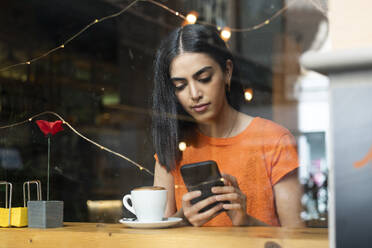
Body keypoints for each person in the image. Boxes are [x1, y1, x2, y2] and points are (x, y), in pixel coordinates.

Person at [152, 24, 304, 227]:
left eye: (204, 78)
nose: (194, 94)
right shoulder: (172, 147)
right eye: (181, 86)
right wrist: (184, 219)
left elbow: (297, 239)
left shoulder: (274, 139)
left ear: (227, 72)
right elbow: (157, 240)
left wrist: (246, 221)